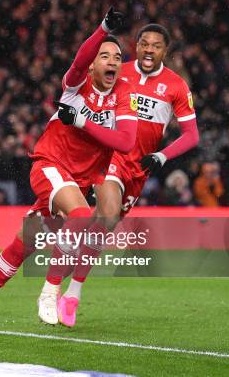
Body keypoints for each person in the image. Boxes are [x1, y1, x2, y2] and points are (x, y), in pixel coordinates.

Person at [0, 8, 138, 338]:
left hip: (78, 180)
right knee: (82, 214)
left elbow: (126, 142)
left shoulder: (123, 94)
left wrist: (83, 121)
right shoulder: (76, 85)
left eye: (117, 56)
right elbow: (79, 59)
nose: (112, 61)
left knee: (24, 243)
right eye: (104, 55)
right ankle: (50, 290)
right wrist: (102, 29)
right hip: (49, 166)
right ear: (93, 63)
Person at [45, 23, 200, 324]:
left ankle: (73, 291)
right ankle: (58, 279)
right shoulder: (118, 70)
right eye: (144, 43)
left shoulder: (176, 86)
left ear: (165, 51)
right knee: (109, 210)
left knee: (106, 223)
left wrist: (162, 155)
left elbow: (192, 135)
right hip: (111, 156)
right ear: (136, 46)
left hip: (141, 167)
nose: (149, 49)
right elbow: (86, 89)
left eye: (156, 45)